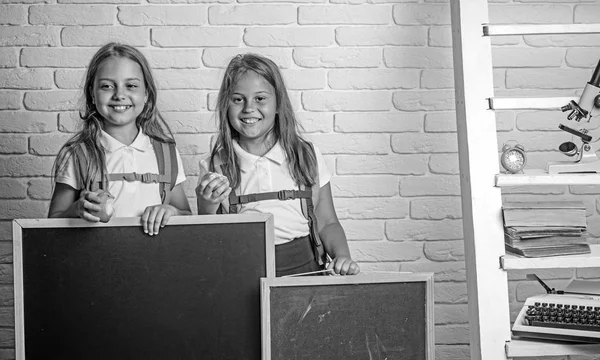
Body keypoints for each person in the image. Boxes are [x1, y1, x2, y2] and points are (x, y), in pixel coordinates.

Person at [196, 53, 359, 277]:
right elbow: (207, 235)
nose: (248, 108)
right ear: (226, 105)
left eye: (260, 98)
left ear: (278, 105)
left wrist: (343, 257)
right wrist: (206, 204)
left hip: (304, 267)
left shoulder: (306, 156)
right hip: (242, 270)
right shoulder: (214, 166)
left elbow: (327, 222)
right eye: (238, 99)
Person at [48, 42, 191, 235]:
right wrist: (77, 209)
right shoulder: (76, 154)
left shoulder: (166, 152)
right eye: (107, 86)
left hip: (157, 261)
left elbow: (187, 215)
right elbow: (50, 225)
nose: (119, 95)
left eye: (131, 86)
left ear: (146, 93)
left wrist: (171, 211)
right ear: (92, 93)